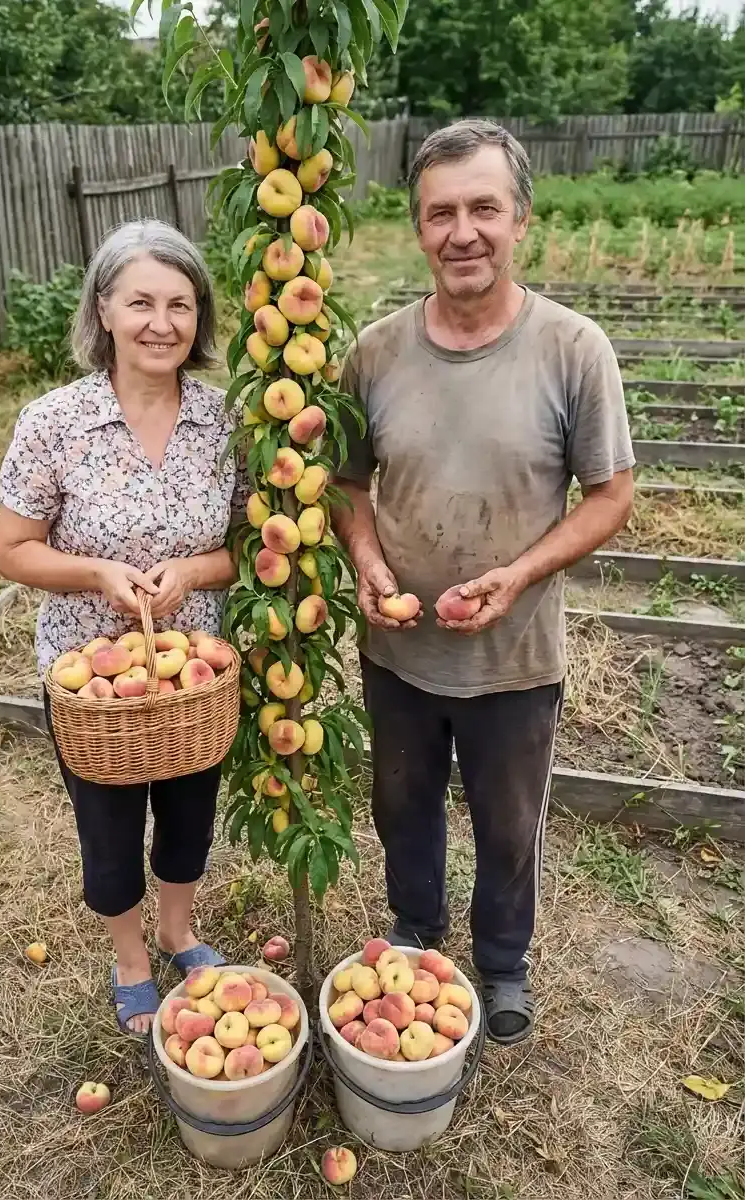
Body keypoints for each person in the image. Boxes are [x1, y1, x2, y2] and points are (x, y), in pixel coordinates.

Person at [334, 120, 635, 1045]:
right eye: (441, 213)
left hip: (515, 653)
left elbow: (611, 493)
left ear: (522, 220)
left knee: (510, 824)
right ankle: (416, 934)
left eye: (483, 209)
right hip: (398, 647)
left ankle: (504, 962)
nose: (462, 232)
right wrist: (370, 561)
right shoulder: (374, 352)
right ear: (417, 228)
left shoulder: (572, 349)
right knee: (401, 808)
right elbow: (346, 484)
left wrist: (521, 572)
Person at [0, 220, 247, 1035]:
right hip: (88, 675)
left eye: (180, 304)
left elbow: (250, 547)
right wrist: (97, 573)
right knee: (106, 823)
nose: (161, 323)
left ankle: (179, 930)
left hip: (193, 671)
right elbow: (14, 550)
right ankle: (131, 958)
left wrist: (197, 571)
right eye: (140, 301)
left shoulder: (223, 422)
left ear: (199, 319)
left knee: (189, 811)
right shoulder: (53, 422)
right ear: (103, 308)